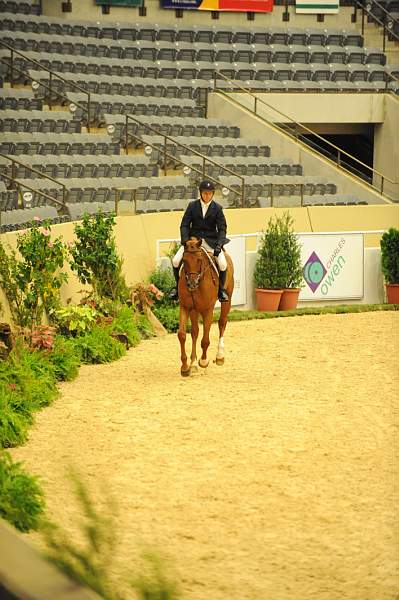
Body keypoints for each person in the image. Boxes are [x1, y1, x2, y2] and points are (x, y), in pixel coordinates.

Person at [169, 180, 230, 302]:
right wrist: (186, 241)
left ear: (212, 194)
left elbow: (222, 228)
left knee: (223, 264)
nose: (207, 195)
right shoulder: (192, 206)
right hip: (193, 242)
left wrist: (219, 245)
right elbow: (184, 225)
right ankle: (177, 288)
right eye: (205, 193)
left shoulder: (217, 208)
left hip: (211, 242)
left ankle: (221, 290)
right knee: (176, 261)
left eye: (209, 193)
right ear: (201, 193)